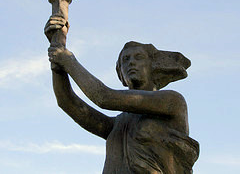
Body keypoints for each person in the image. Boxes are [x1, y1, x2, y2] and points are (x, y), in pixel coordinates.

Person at [45, 17, 199, 174]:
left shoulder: (172, 102)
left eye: (138, 57)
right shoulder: (117, 125)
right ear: (120, 74)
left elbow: (104, 97)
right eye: (125, 60)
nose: (131, 62)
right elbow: (67, 102)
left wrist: (68, 60)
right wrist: (58, 61)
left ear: (153, 66)